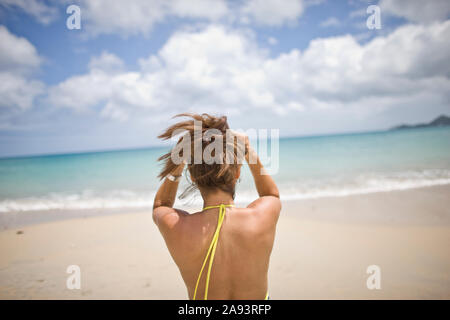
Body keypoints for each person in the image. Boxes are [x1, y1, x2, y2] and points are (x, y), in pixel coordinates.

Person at [153, 113, 281, 300]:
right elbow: (271, 194)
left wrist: (178, 162)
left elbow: (161, 205)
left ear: (193, 177)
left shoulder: (176, 227)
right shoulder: (261, 218)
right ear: (237, 172)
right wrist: (248, 151)